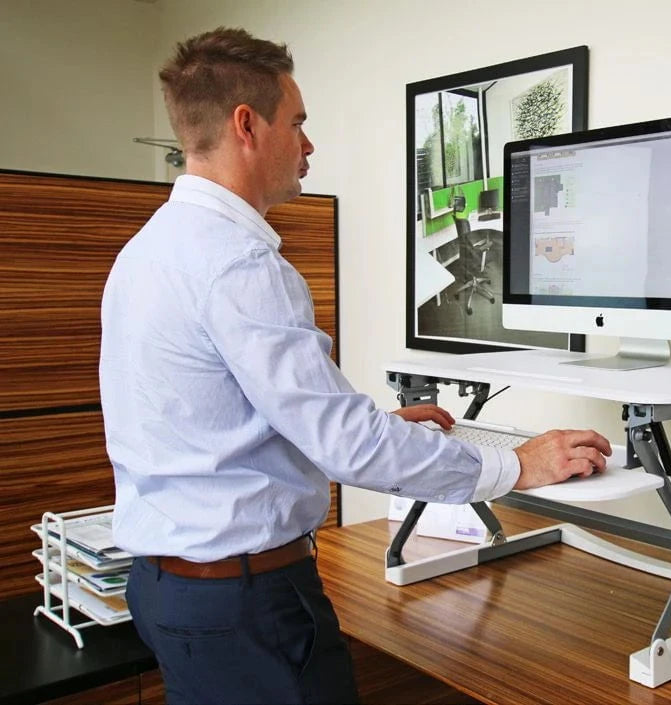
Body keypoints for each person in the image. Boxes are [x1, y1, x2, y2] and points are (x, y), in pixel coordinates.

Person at [98, 27, 610, 705]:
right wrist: (517, 464)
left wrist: (382, 425)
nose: (308, 144)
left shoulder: (147, 250)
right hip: (245, 605)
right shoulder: (240, 265)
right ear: (246, 125)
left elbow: (214, 421)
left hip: (170, 591)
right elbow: (347, 446)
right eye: (297, 123)